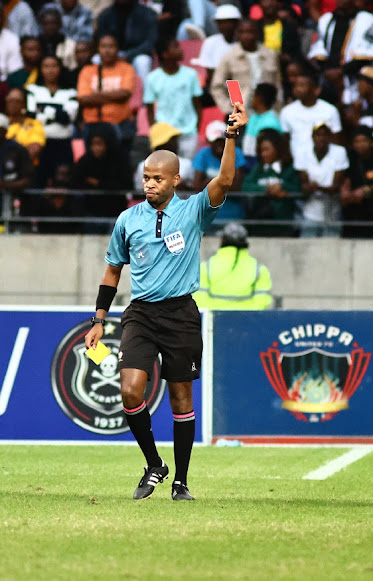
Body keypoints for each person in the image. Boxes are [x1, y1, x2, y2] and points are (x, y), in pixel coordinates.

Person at [83, 102, 249, 502]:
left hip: (180, 313)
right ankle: (154, 464)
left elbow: (225, 180)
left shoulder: (193, 211)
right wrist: (98, 318)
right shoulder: (128, 219)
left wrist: (230, 136)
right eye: (146, 177)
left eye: (158, 178)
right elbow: (112, 271)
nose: (150, 184)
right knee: (130, 391)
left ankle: (181, 482)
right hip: (140, 312)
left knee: (180, 398)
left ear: (176, 180)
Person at [307, 0, 373, 105]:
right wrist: (328, 72)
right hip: (328, 76)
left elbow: (368, 55)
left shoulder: (366, 19)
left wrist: (341, 71)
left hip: (354, 75)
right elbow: (318, 51)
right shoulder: (326, 19)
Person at [76, 34, 136, 153]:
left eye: (111, 46)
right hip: (93, 125)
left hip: (121, 124)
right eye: (103, 46)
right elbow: (83, 99)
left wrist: (96, 95)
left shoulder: (127, 68)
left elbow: (125, 94)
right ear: (98, 49)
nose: (107, 50)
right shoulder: (87, 71)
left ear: (118, 49)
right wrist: (114, 97)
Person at [144, 37, 203, 159]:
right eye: (175, 47)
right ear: (165, 54)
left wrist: (195, 128)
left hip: (188, 132)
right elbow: (149, 109)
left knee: (186, 170)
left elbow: (197, 104)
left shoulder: (190, 75)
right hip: (165, 134)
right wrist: (156, 131)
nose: (181, 50)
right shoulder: (152, 78)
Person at [193, 222, 273, 310]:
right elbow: (262, 303)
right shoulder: (259, 270)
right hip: (247, 322)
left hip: (214, 321)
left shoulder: (206, 267)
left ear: (223, 240)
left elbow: (199, 301)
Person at [210, 19, 281, 116]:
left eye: (250, 32)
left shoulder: (270, 55)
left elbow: (277, 85)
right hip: (242, 110)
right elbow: (217, 86)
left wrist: (279, 107)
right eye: (242, 32)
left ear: (257, 34)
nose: (246, 36)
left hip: (269, 110)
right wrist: (228, 109)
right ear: (237, 35)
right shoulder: (230, 57)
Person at [27, 55, 78, 187]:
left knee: (63, 182)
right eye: (46, 66)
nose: (50, 70)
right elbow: (32, 116)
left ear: (60, 68)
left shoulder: (70, 92)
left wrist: (44, 111)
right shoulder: (32, 90)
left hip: (63, 145)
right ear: (40, 69)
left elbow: (67, 118)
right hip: (39, 145)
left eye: (54, 66)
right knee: (39, 181)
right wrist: (57, 112)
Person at [294, 121, 349, 237]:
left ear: (330, 137)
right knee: (307, 249)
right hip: (310, 212)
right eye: (318, 135)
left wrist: (317, 187)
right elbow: (304, 185)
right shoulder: (303, 152)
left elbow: (336, 185)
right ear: (313, 137)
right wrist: (319, 188)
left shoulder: (339, 152)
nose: (321, 138)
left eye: (325, 135)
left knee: (332, 250)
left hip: (333, 212)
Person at [242, 128, 299, 237]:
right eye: (261, 151)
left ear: (277, 149)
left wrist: (282, 187)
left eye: (267, 150)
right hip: (259, 226)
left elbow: (297, 187)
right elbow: (246, 186)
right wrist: (266, 190)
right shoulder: (258, 169)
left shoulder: (288, 169)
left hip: (283, 226)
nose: (264, 154)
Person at [279, 66, 342, 161]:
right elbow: (285, 140)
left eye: (302, 85)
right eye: (295, 85)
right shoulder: (287, 111)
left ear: (316, 90)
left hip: (325, 162)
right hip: (297, 163)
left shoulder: (330, 110)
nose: (298, 89)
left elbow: (336, 140)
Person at [192, 120, 247, 222]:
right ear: (209, 141)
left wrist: (212, 184)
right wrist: (224, 184)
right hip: (208, 212)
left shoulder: (236, 153)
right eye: (215, 141)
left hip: (233, 210)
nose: (219, 144)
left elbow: (237, 186)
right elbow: (196, 186)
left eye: (222, 140)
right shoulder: (203, 154)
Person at [96, 0, 158, 86]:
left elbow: (150, 43)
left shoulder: (147, 13)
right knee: (96, 59)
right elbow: (101, 39)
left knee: (143, 62)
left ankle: (145, 97)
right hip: (112, 53)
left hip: (137, 53)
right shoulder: (105, 15)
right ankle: (100, 93)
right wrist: (113, 53)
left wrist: (128, 55)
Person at [133, 122, 195, 190]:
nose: (176, 142)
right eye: (173, 139)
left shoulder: (186, 164)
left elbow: (192, 190)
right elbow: (139, 193)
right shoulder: (143, 166)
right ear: (166, 143)